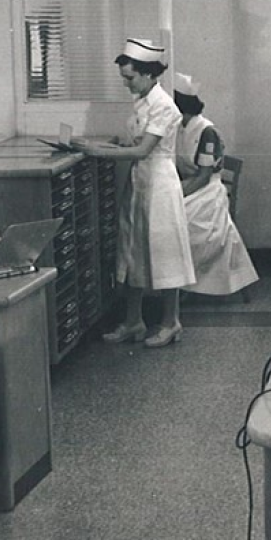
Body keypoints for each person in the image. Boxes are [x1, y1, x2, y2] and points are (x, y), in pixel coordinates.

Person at [74, 38, 194, 348]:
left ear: (149, 73)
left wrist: (99, 154)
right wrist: (93, 146)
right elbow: (132, 146)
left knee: (164, 253)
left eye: (130, 78)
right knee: (131, 251)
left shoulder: (164, 105)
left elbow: (143, 150)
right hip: (141, 181)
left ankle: (171, 322)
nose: (126, 84)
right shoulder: (143, 101)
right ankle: (133, 321)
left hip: (160, 185)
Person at [173, 73, 259, 298]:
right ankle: (175, 285)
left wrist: (177, 194)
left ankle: (183, 282)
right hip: (188, 184)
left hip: (207, 189)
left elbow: (203, 176)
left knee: (181, 220)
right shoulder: (179, 129)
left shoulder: (207, 132)